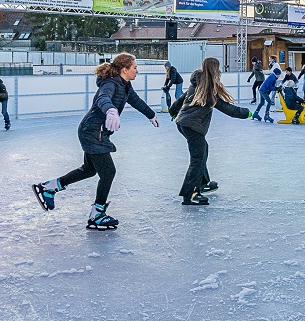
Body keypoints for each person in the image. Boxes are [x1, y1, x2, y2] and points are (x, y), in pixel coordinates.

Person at [31, 53, 159, 230]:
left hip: (95, 132)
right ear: (124, 69)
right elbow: (102, 99)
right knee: (108, 172)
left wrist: (150, 114)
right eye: (135, 67)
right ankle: (97, 214)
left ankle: (50, 187)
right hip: (93, 132)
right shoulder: (110, 83)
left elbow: (135, 101)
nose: (137, 70)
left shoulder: (125, 85)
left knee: (90, 170)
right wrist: (111, 111)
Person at [170, 57, 251, 206]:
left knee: (203, 151)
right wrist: (246, 113)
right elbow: (228, 109)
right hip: (193, 126)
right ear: (214, 70)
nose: (219, 71)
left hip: (184, 123)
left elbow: (181, 99)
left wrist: (173, 111)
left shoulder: (197, 85)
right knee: (197, 159)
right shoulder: (208, 91)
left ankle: (203, 183)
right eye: (218, 68)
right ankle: (191, 194)